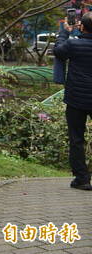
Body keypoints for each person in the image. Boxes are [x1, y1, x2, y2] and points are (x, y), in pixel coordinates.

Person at [53, 11, 92, 191]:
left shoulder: (73, 44)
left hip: (77, 98)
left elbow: (58, 51)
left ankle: (82, 178)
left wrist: (65, 31)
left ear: (81, 26)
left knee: (76, 138)